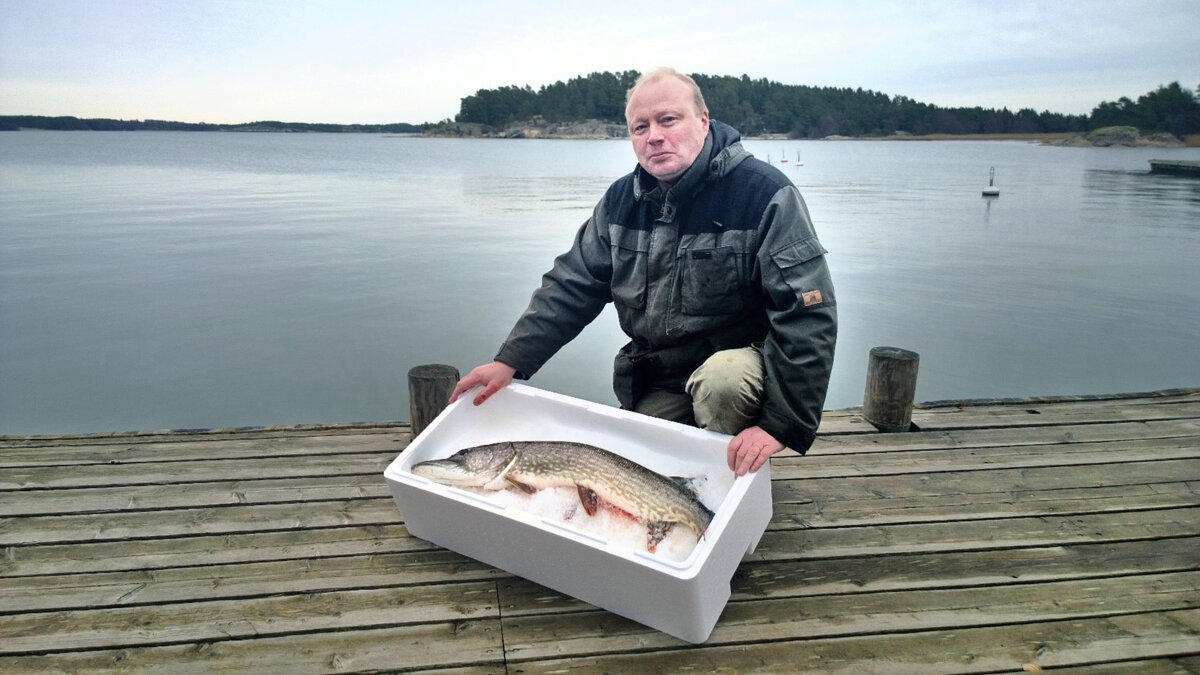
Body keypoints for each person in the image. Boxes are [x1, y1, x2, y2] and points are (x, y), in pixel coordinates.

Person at [450, 67, 836, 476]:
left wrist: (780, 425)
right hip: (663, 378)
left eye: (668, 120)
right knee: (630, 469)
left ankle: (734, 475)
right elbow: (571, 286)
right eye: (640, 127)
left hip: (741, 375)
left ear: (703, 121)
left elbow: (808, 315)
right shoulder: (621, 201)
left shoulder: (765, 194)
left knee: (722, 380)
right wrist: (510, 361)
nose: (654, 136)